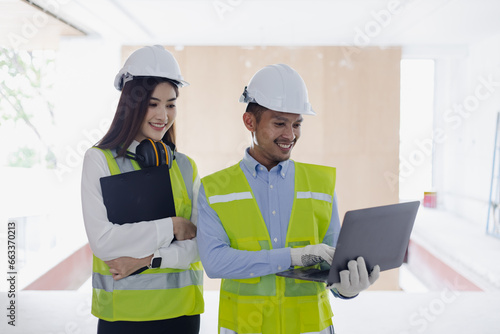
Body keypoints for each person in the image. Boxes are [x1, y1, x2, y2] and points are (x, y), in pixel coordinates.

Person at [197, 64, 380, 334]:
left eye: (296, 124)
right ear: (250, 122)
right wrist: (293, 256)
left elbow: (334, 261)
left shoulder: (321, 184)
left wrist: (347, 288)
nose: (290, 135)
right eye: (279, 123)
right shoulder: (214, 188)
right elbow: (216, 263)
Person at [81, 45, 203, 333]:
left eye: (171, 104)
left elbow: (200, 246)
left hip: (182, 314)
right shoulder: (99, 160)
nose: (163, 115)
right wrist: (172, 226)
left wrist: (145, 259)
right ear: (131, 104)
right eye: (152, 103)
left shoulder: (186, 167)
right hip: (123, 318)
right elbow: (103, 242)